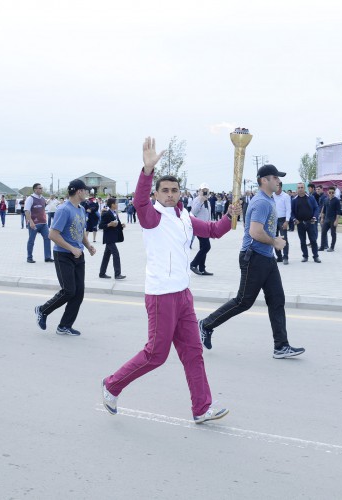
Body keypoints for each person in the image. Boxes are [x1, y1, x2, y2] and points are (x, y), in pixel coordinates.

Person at [102, 137, 234, 424]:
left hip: (183, 294)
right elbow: (139, 200)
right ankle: (112, 385)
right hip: (161, 295)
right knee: (155, 355)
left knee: (193, 352)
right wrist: (147, 171)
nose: (170, 194)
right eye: (165, 191)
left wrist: (230, 216)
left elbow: (212, 230)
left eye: (174, 190)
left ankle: (201, 408)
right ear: (158, 193)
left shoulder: (184, 217)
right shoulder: (153, 216)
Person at [198, 164, 305, 359]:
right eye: (275, 177)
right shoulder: (261, 202)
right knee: (243, 301)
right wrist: (275, 242)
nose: (279, 181)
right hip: (254, 256)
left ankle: (281, 346)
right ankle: (205, 325)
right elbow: (255, 232)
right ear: (264, 180)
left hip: (266, 258)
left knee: (277, 300)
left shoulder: (268, 199)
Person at [33, 179, 96, 336]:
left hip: (78, 254)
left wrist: (88, 246)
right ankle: (42, 310)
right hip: (63, 255)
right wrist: (71, 248)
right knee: (69, 291)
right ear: (79, 191)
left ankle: (64, 326)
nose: (87, 193)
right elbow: (52, 234)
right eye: (86, 190)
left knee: (79, 293)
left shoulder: (81, 209)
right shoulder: (64, 210)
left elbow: (80, 232)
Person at [290, 183, 321, 263]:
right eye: (299, 187)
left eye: (302, 187)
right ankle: (305, 256)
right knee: (302, 241)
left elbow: (316, 208)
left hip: (310, 222)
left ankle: (316, 256)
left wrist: (314, 217)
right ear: (297, 189)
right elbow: (291, 212)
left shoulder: (311, 198)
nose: (300, 189)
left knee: (313, 240)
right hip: (300, 223)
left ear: (304, 188)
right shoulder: (294, 200)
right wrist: (294, 219)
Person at [24, 183, 53, 263]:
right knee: (31, 240)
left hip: (43, 223)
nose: (41, 189)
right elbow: (27, 211)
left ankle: (47, 257)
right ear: (35, 189)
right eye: (40, 188)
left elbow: (44, 206)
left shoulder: (42, 198)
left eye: (41, 188)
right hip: (34, 224)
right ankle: (29, 257)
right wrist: (31, 222)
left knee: (48, 238)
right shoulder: (30, 198)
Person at [98, 197, 125, 279]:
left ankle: (102, 273)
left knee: (106, 256)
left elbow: (117, 224)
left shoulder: (115, 213)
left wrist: (122, 226)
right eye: (116, 203)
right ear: (112, 204)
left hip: (113, 237)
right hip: (108, 238)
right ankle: (117, 274)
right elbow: (101, 226)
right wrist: (109, 224)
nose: (117, 204)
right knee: (116, 254)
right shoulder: (106, 214)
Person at [190, 184, 214, 275]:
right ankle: (193, 264)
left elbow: (208, 214)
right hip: (199, 226)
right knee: (206, 247)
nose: (205, 192)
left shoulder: (207, 201)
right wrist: (200, 201)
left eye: (206, 190)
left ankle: (202, 268)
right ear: (199, 191)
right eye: (203, 190)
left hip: (206, 226)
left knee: (203, 247)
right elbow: (194, 212)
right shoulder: (197, 200)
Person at [273, 180, 291, 265]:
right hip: (273, 220)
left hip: (282, 220)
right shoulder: (272, 196)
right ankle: (279, 257)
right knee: (275, 239)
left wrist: (287, 221)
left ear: (280, 187)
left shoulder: (286, 196)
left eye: (276, 186)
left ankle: (285, 257)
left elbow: (288, 209)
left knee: (284, 239)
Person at [320, 187, 341, 252]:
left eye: (332, 192)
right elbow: (324, 210)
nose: (331, 193)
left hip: (333, 219)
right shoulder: (326, 200)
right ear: (328, 192)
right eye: (330, 192)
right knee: (323, 232)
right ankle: (322, 247)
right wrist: (322, 218)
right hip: (326, 219)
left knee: (333, 233)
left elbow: (338, 212)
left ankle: (332, 247)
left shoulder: (337, 200)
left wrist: (336, 221)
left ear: (334, 193)